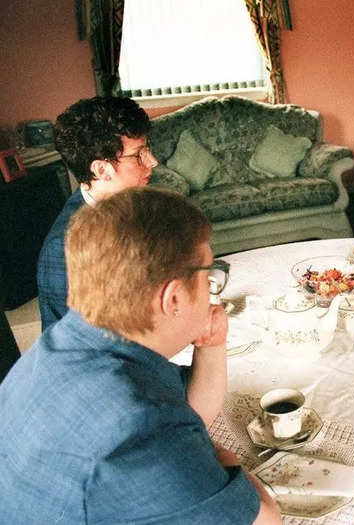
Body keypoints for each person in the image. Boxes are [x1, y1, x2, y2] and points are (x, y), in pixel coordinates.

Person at [0, 187, 281, 524]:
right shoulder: (141, 428)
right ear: (173, 299)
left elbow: (193, 413)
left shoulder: (68, 340)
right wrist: (226, 461)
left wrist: (212, 342)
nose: (212, 288)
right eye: (209, 274)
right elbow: (264, 518)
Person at [37, 96, 158, 331]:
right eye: (138, 154)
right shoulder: (65, 247)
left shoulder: (132, 202)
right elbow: (81, 346)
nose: (152, 162)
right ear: (102, 169)